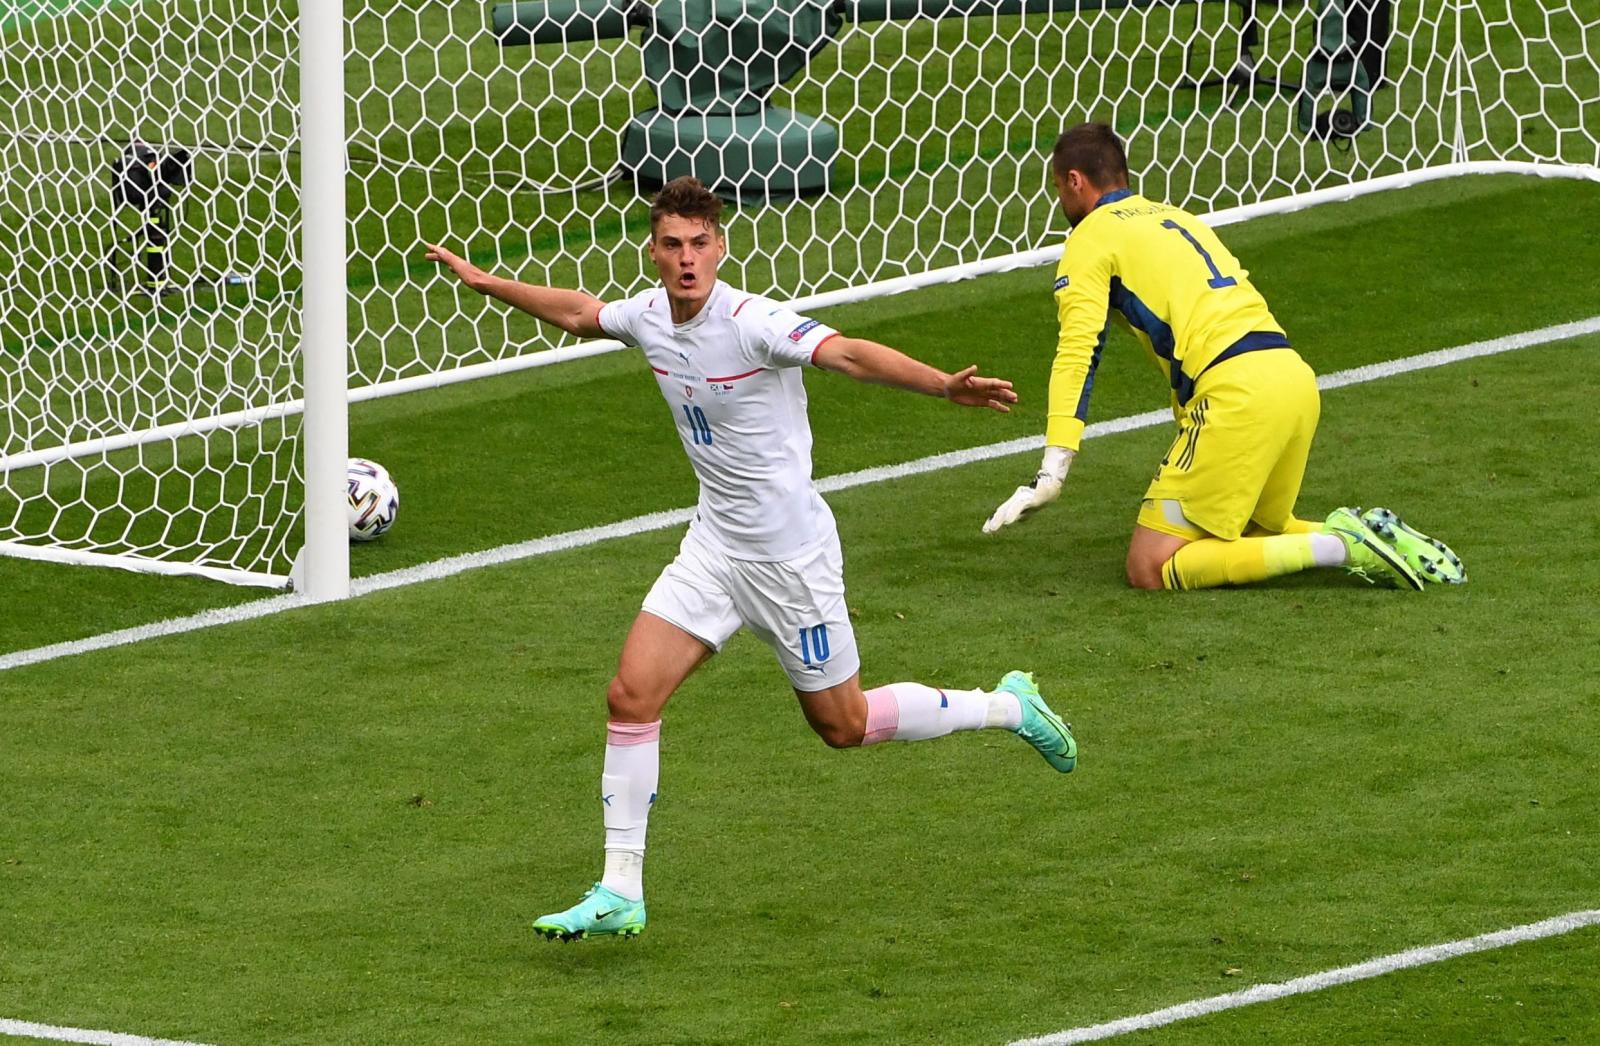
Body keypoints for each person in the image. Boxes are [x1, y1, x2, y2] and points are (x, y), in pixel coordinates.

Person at [425, 176, 1078, 943]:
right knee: (631, 695)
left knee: (845, 724)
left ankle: (1007, 705)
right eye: (672, 244)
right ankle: (620, 889)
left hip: (790, 561)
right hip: (714, 548)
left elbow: (850, 355)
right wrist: (484, 281)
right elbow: (578, 311)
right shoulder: (646, 317)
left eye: (700, 243)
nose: (687, 259)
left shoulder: (753, 323)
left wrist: (942, 386)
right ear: (655, 251)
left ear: (720, 246)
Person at [983, 122, 1464, 592]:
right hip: (1291, 377)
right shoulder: (1177, 218)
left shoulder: (1089, 238)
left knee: (1148, 566)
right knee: (1253, 532)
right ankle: (1362, 531)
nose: (1061, 202)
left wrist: (1053, 471)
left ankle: (1340, 547)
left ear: (1074, 180)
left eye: (1058, 188)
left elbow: (1078, 354)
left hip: (1234, 396)